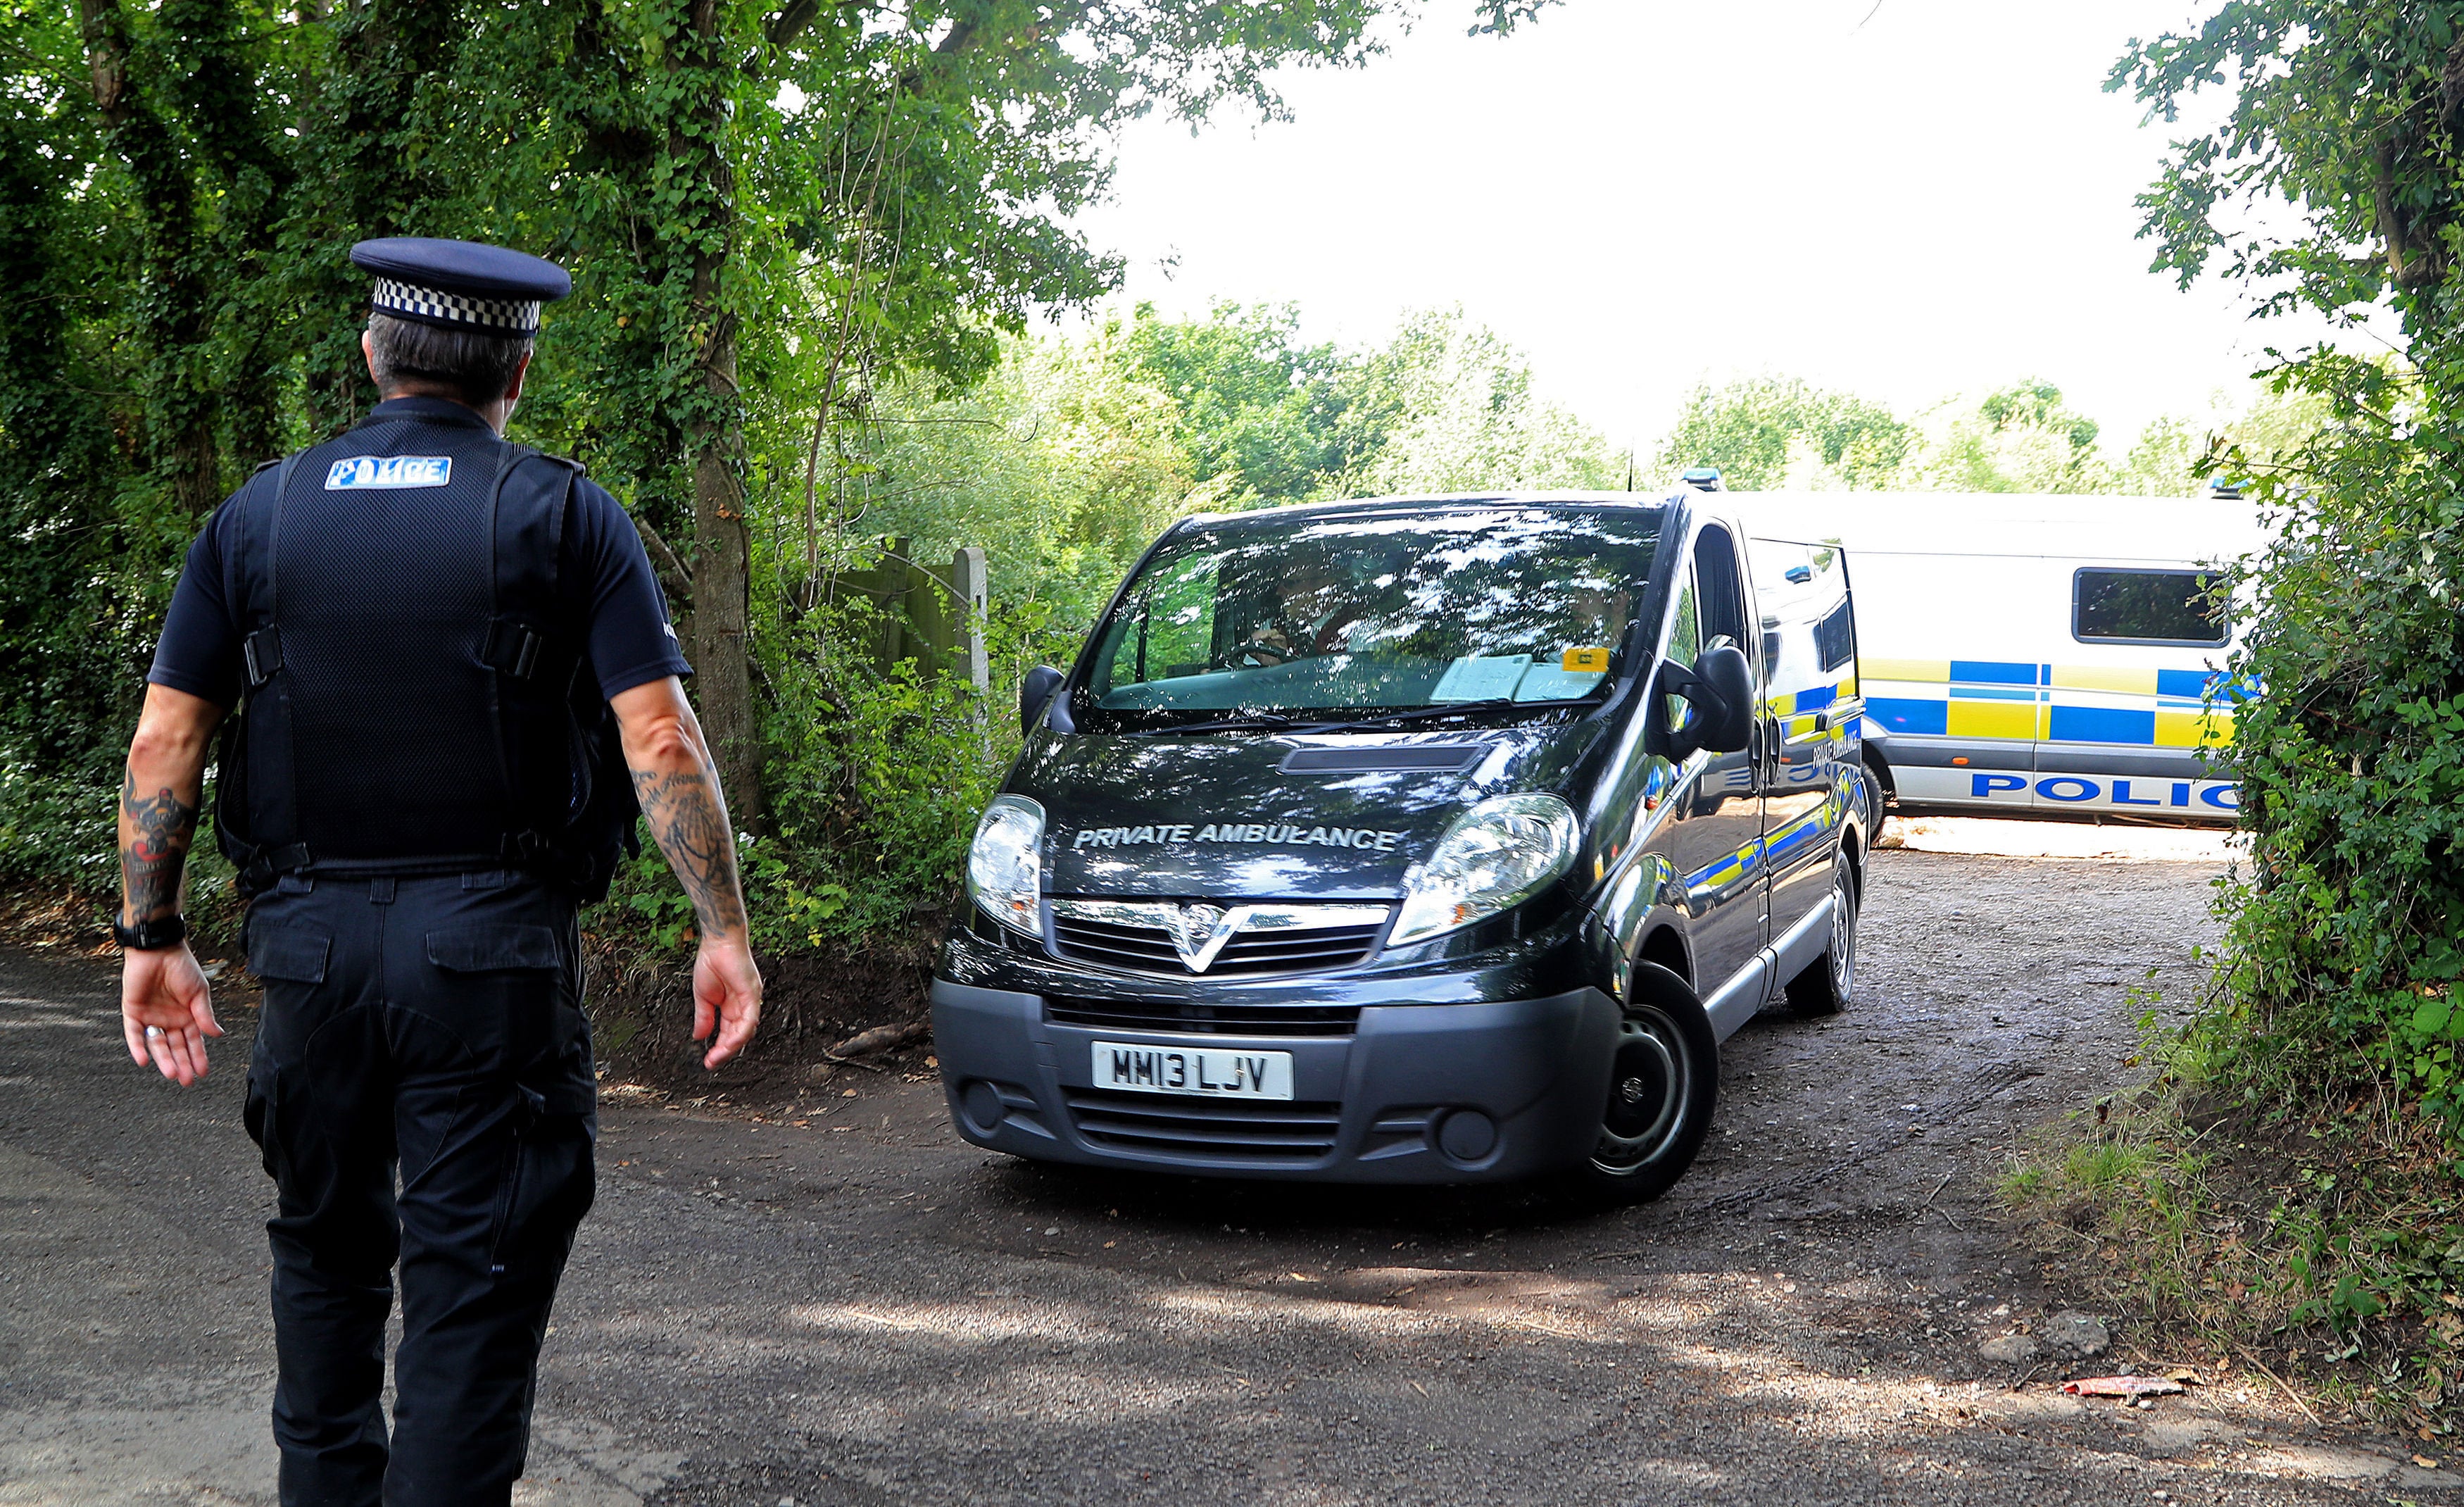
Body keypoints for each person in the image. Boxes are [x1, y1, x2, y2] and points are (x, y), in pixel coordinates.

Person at [111, 237, 763, 1506]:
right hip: (492, 966)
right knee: (475, 1298)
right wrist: (721, 928)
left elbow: (165, 741)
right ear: (516, 369)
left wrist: (153, 935)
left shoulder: (258, 517)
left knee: (324, 1273)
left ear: (374, 355)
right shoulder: (565, 512)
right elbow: (661, 736)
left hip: (307, 960)